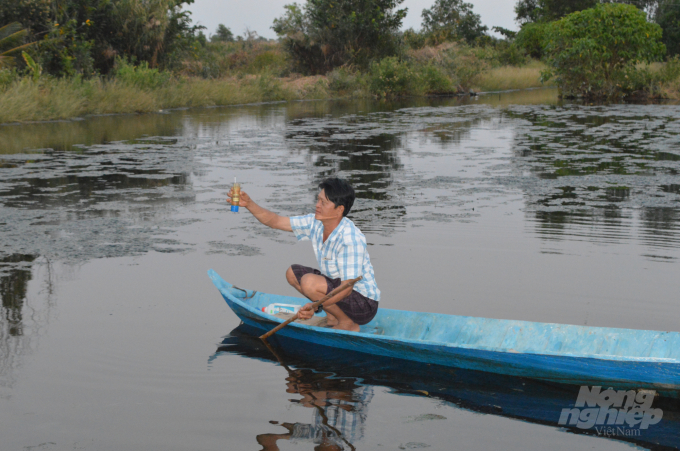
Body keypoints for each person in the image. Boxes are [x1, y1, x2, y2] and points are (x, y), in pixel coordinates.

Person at [227, 177, 380, 332]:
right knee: (293, 273)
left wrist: (315, 305)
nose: (317, 205)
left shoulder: (350, 238)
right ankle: (333, 316)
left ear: (339, 209)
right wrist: (249, 204)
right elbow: (276, 221)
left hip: (363, 304)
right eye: (318, 200)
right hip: (340, 291)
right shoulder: (316, 223)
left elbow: (346, 288)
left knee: (309, 282)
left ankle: (347, 323)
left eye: (323, 203)